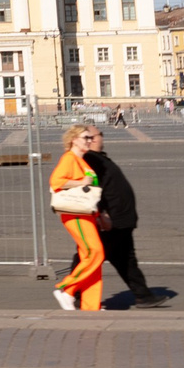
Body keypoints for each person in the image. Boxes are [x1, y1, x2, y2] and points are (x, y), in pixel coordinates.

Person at [80, 127, 163, 308]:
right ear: (92, 139)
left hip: (121, 219)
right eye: (99, 134)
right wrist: (102, 214)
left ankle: (143, 295)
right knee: (90, 255)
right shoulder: (91, 159)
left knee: (125, 258)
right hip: (111, 220)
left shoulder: (98, 158)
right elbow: (93, 190)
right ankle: (75, 293)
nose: (101, 137)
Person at [49, 124, 105, 312]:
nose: (90, 140)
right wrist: (81, 182)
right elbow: (56, 181)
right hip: (75, 214)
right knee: (95, 252)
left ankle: (91, 307)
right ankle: (67, 289)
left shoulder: (83, 161)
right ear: (73, 139)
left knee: (91, 259)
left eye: (90, 138)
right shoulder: (69, 158)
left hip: (86, 214)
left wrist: (98, 214)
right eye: (85, 137)